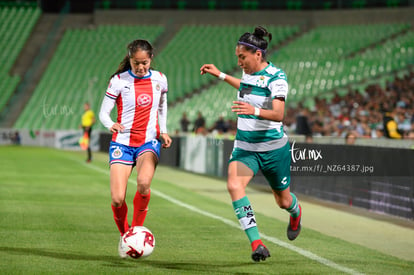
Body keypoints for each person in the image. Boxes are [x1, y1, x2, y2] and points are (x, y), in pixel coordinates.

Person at [200, 26, 302, 262]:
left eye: (242, 57)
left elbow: (278, 114)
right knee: (234, 185)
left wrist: (253, 110)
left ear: (257, 54)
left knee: (283, 201)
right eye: (237, 57)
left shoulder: (277, 77)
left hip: (273, 149)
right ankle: (257, 243)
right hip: (246, 147)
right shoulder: (247, 73)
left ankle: (295, 211)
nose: (239, 62)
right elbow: (247, 87)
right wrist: (221, 75)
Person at [99, 39, 172, 258]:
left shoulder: (160, 79)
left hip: (148, 141)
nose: (140, 67)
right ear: (129, 59)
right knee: (117, 199)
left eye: (144, 63)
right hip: (122, 143)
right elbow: (104, 112)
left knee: (143, 183)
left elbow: (162, 106)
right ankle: (126, 237)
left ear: (151, 59)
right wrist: (110, 124)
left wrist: (164, 130)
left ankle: (136, 231)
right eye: (135, 63)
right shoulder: (118, 81)